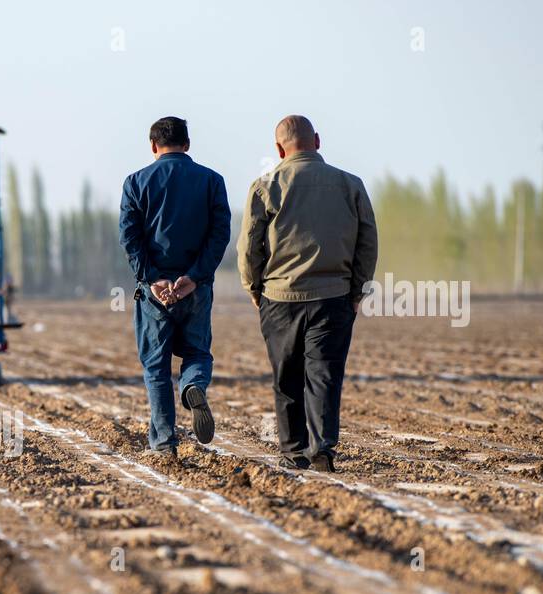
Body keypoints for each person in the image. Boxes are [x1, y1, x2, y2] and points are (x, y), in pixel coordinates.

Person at [238, 115, 378, 473]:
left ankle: (293, 450)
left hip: (280, 297)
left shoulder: (265, 186)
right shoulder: (351, 185)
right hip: (334, 297)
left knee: (286, 377)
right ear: (317, 140)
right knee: (324, 375)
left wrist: (255, 288)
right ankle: (322, 450)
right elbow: (367, 242)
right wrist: (357, 290)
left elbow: (249, 247)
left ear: (279, 149)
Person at [119, 116, 230, 456]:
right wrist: (194, 276)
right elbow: (220, 234)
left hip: (155, 293)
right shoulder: (212, 181)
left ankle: (165, 442)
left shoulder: (136, 182)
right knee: (196, 352)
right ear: (188, 144)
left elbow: (130, 236)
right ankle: (194, 385)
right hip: (195, 288)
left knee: (156, 364)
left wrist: (152, 278)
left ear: (153, 147)